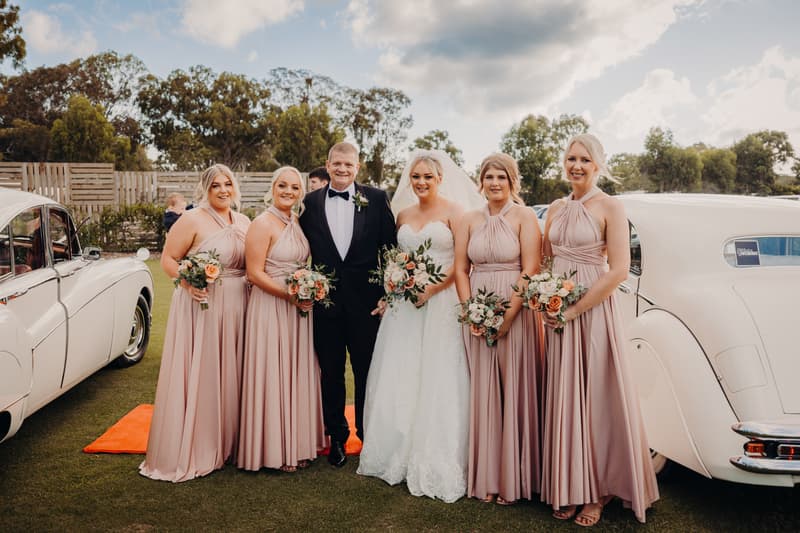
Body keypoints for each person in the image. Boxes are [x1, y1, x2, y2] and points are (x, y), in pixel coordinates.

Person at [540, 133, 658, 526]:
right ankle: (571, 485)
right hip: (558, 313)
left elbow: (620, 269)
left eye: (584, 160)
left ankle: (600, 491)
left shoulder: (611, 206)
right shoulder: (555, 207)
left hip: (591, 311)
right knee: (565, 395)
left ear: (598, 165)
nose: (576, 165)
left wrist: (575, 309)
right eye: (571, 158)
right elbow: (545, 260)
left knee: (595, 398)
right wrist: (547, 298)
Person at [357, 150, 484, 502]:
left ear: (440, 178)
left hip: (441, 303)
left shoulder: (456, 213)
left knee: (439, 374)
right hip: (405, 309)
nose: (422, 182)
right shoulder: (402, 215)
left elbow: (462, 265)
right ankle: (397, 448)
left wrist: (431, 288)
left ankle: (437, 454)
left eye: (428, 176)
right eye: (416, 177)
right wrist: (394, 285)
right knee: (402, 372)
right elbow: (396, 260)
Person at [140, 164, 250, 482]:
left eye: (228, 184)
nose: (223, 190)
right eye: (216, 185)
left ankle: (232, 442)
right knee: (206, 373)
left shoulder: (243, 221)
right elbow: (168, 259)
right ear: (206, 189)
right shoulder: (191, 219)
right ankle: (202, 443)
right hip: (203, 305)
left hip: (240, 306)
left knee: (234, 372)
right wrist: (188, 283)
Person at [453, 153, 545, 505]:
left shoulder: (524, 217)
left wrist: (507, 317)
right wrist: (470, 311)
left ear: (512, 182)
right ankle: (487, 476)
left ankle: (516, 478)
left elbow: (531, 268)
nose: (494, 183)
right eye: (489, 177)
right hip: (476, 310)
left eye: (501, 178)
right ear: (481, 181)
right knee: (484, 393)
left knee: (515, 389)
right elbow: (461, 269)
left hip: (516, 311)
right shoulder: (468, 219)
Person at [298, 142, 396, 467]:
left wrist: (387, 294)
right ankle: (336, 438)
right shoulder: (309, 204)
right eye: (337, 164)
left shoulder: (378, 199)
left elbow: (390, 250)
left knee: (368, 372)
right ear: (327, 164)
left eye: (348, 165)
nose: (342, 169)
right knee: (331, 374)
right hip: (325, 306)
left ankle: (369, 435)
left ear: (358, 167)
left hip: (367, 306)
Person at [238, 166, 326, 473]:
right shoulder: (263, 223)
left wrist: (307, 288)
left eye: (295, 187)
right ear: (273, 187)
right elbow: (254, 272)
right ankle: (274, 449)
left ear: (301, 192)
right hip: (271, 305)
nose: (289, 191)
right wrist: (289, 294)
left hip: (298, 309)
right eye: (283, 185)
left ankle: (297, 443)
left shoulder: (297, 222)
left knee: (296, 370)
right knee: (273, 371)